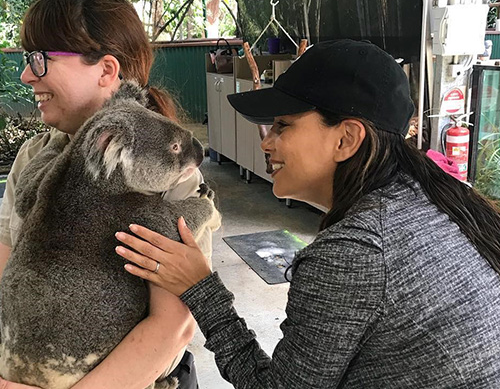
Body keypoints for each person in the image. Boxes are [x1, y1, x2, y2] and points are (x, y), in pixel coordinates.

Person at [115, 39, 500, 388]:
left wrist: (201, 288)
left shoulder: (354, 254)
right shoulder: (439, 200)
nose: (266, 141)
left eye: (283, 125)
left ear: (346, 138)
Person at [0, 0, 216, 387]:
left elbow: (173, 325)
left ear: (106, 69)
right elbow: (5, 263)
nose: (26, 75)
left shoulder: (163, 168)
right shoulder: (36, 155)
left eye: (39, 58)